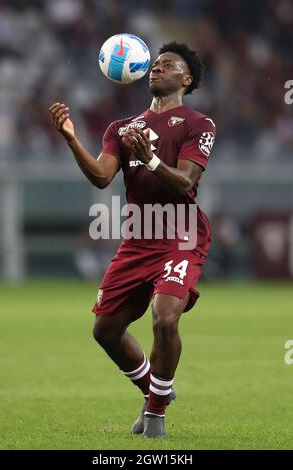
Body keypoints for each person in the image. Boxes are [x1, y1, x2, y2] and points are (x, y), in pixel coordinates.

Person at [49, 41, 216, 438]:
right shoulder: (121, 128)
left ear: (185, 79)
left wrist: (153, 160)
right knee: (104, 330)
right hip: (139, 235)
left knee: (164, 317)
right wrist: (72, 139)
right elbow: (103, 177)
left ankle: (155, 414)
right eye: (155, 64)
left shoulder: (198, 124)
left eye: (168, 65)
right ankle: (155, 391)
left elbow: (187, 181)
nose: (157, 68)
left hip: (180, 233)